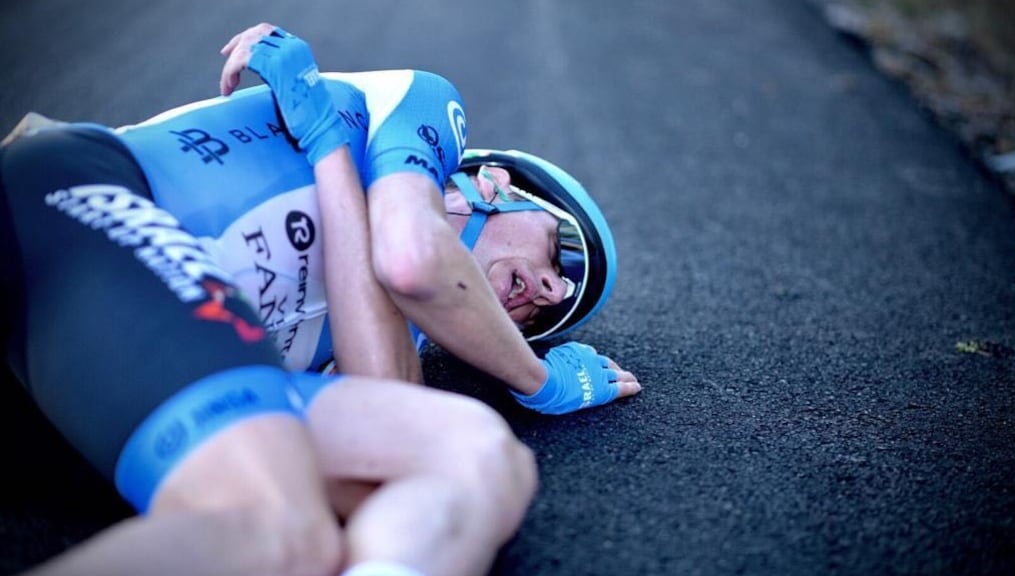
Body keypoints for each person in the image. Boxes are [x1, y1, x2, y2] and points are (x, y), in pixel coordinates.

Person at [0, 23, 638, 576]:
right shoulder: (416, 108)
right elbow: (413, 260)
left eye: (550, 318)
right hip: (73, 207)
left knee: (480, 453)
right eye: (565, 254)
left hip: (100, 365)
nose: (554, 290)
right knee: (280, 535)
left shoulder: (390, 332)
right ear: (496, 181)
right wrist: (540, 380)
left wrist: (328, 151)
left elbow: (386, 386)